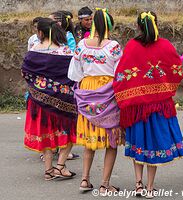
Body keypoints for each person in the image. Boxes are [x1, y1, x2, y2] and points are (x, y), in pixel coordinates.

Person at [113, 11, 183, 199]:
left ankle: (138, 184)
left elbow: (121, 75)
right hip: (160, 107)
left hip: (137, 108)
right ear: (156, 24)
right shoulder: (166, 46)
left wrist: (127, 95)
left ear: (138, 26)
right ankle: (151, 187)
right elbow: (177, 70)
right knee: (154, 145)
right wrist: (165, 87)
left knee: (139, 144)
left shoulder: (131, 46)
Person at [68, 9, 124, 195]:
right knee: (111, 142)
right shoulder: (114, 46)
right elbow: (120, 74)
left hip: (87, 91)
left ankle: (85, 179)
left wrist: (89, 77)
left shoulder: (81, 45)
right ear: (109, 25)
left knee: (89, 143)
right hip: (108, 92)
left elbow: (74, 73)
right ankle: (104, 184)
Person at [22, 18, 76, 181]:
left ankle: (48, 169)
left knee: (46, 133)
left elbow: (25, 73)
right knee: (68, 132)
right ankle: (60, 166)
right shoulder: (66, 51)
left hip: (39, 101)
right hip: (64, 101)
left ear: (40, 33)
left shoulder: (33, 50)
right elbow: (73, 74)